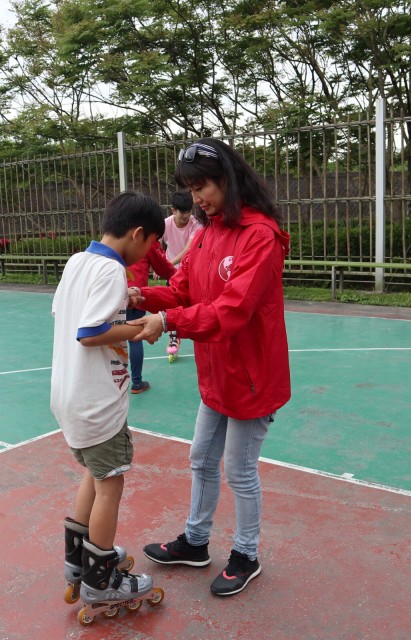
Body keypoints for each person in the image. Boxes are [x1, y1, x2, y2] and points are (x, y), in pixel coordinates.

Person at [127, 139, 291, 597]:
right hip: (217, 372)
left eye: (203, 187)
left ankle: (246, 555)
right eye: (191, 188)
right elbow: (182, 288)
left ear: (228, 180)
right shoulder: (208, 231)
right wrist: (141, 296)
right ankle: (196, 542)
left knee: (240, 470)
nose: (197, 197)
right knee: (200, 458)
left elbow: (232, 310)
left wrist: (168, 321)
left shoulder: (260, 235)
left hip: (253, 377)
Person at [50, 190, 165, 613]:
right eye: (151, 243)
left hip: (68, 396)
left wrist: (123, 305)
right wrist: (140, 329)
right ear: (138, 233)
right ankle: (101, 581)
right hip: (96, 400)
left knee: (95, 475)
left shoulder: (77, 261)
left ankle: (79, 562)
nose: (149, 252)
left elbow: (71, 316)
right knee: (111, 483)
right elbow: (89, 333)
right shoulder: (112, 269)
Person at [126, 238, 175, 393]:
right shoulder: (146, 239)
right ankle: (137, 382)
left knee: (113, 339)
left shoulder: (116, 236)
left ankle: (114, 382)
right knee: (135, 338)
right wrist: (181, 277)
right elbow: (164, 269)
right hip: (135, 295)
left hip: (114, 293)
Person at [162, 190, 203, 360]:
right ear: (173, 210)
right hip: (173, 273)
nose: (186, 215)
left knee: (196, 306)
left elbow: (188, 250)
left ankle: (202, 339)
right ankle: (174, 338)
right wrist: (160, 264)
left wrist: (166, 264)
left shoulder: (196, 224)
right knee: (173, 305)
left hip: (192, 270)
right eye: (182, 212)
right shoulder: (165, 224)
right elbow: (154, 244)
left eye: (188, 211)